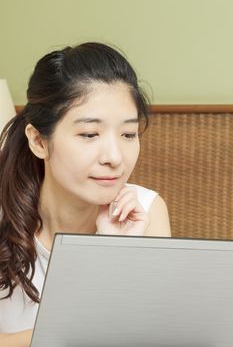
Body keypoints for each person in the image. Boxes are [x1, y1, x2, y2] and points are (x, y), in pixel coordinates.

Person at [0, 42, 171, 346]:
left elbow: (152, 337)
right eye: (90, 134)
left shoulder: (145, 212)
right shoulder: (4, 213)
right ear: (39, 141)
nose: (115, 157)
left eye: (129, 134)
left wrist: (110, 255)